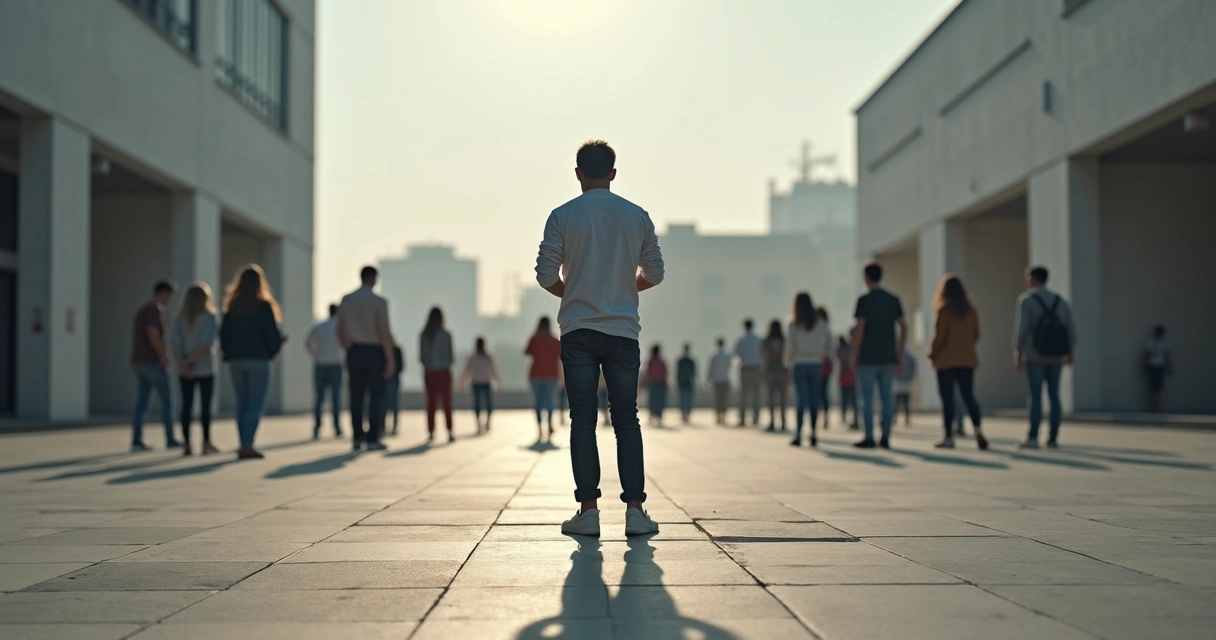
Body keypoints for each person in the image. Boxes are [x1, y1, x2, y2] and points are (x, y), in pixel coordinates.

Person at [534, 139, 663, 537]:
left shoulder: (562, 216)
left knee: (582, 420)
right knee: (626, 418)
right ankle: (635, 511)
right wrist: (621, 289)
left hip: (578, 331)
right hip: (622, 330)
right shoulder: (636, 216)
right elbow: (656, 273)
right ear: (613, 173)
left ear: (578, 174)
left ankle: (588, 511)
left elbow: (545, 274)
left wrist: (575, 293)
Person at [219, 265, 284, 459]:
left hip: (236, 360)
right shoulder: (263, 306)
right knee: (255, 404)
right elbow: (272, 335)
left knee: (242, 403)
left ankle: (243, 442)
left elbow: (224, 335)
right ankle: (247, 444)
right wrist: (273, 350)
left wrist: (229, 353)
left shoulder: (232, 306)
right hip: (258, 359)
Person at [1014, 265, 1075, 449]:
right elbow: (1070, 328)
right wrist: (1070, 352)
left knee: (1035, 396)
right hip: (1056, 356)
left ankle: (1033, 436)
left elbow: (1022, 329)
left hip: (1034, 356)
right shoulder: (1060, 301)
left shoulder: (1027, 300)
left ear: (1033, 278)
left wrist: (1018, 352)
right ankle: (1053, 437)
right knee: (1054, 396)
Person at [337, 266, 395, 452]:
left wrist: (348, 347)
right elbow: (384, 332)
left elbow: (339, 329)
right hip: (374, 351)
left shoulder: (347, 300)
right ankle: (372, 438)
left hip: (354, 350)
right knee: (376, 396)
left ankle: (357, 437)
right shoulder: (379, 302)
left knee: (356, 396)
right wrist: (390, 358)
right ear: (374, 278)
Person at [850, 261, 908, 449]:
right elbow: (904, 326)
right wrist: (899, 353)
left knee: (866, 399)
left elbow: (860, 328)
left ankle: (869, 437)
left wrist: (854, 352)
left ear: (866, 277)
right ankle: (885, 437)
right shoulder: (893, 299)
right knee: (887, 398)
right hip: (888, 357)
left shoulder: (864, 301)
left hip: (867, 358)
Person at [928, 274, 988, 450]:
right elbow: (976, 335)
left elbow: (940, 336)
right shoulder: (971, 310)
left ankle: (949, 437)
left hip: (946, 360)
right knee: (968, 396)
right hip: (967, 359)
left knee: (948, 399)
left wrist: (932, 353)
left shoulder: (944, 309)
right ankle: (977, 429)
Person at [130, 280, 179, 452]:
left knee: (142, 403)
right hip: (152, 363)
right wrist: (163, 355)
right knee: (168, 401)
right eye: (169, 295)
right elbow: (153, 334)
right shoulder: (154, 309)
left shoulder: (143, 308)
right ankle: (170, 438)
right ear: (163, 292)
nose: (170, 300)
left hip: (139, 362)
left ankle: (136, 440)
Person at [171, 282, 218, 456]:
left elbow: (175, 343)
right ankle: (206, 442)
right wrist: (191, 362)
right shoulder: (210, 317)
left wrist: (183, 364)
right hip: (205, 368)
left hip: (185, 370)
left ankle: (187, 444)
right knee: (205, 407)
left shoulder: (179, 318)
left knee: (186, 406)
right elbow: (206, 344)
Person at [787, 292, 833, 447]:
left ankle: (798, 433)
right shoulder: (821, 324)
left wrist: (788, 361)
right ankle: (813, 433)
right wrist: (823, 355)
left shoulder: (794, 324)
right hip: (816, 363)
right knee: (814, 400)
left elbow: (789, 346)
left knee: (801, 400)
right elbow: (830, 345)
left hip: (799, 363)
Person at [306, 304, 344, 440]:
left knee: (319, 398)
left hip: (320, 364)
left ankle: (317, 427)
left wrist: (315, 355)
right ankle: (337, 427)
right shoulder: (340, 326)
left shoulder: (318, 326)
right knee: (336, 398)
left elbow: (308, 343)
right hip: (336, 364)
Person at [419, 306, 455, 442]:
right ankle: (450, 430)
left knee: (431, 402)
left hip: (429, 372)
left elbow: (421, 357)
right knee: (447, 402)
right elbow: (451, 356)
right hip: (444, 372)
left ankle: (431, 431)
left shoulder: (424, 335)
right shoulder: (446, 335)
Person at [525, 316, 562, 440]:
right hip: (551, 374)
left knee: (538, 401)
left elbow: (527, 352)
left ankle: (540, 428)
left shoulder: (534, 339)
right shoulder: (554, 340)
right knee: (549, 400)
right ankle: (549, 424)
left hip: (535, 374)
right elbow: (560, 355)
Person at [461, 337, 501, 433]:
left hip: (481, 382)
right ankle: (483, 423)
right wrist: (498, 382)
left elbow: (466, 371)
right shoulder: (481, 357)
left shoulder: (480, 357)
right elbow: (494, 370)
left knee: (480, 405)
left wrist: (462, 382)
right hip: (481, 383)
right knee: (485, 404)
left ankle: (483, 423)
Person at [734, 319, 764, 427]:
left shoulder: (741, 339)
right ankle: (756, 417)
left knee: (743, 395)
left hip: (745, 368)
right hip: (756, 369)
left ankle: (742, 418)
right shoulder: (758, 339)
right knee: (756, 394)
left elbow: (736, 353)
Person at [761, 320, 788, 432]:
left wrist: (764, 370)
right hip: (783, 371)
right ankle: (783, 422)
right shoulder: (784, 340)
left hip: (771, 371)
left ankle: (772, 421)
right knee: (783, 398)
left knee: (771, 398)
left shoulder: (767, 341)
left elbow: (765, 357)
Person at [1143, 325, 1171, 413]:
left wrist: (1169, 366)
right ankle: (1152, 407)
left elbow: (1166, 354)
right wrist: (1144, 365)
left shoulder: (1163, 341)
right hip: (1151, 365)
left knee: (1158, 387)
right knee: (1152, 387)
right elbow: (1146, 353)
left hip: (1160, 365)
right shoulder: (1149, 340)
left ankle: (1157, 407)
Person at [708, 338, 732, 425]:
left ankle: (718, 416)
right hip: (725, 379)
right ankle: (723, 416)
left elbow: (711, 368)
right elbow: (730, 366)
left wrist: (709, 378)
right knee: (724, 399)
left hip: (716, 380)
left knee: (717, 399)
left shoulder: (714, 354)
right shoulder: (727, 354)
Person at [837, 336, 858, 429]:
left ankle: (844, 416)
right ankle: (855, 418)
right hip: (852, 375)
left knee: (844, 399)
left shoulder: (840, 350)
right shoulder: (851, 349)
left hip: (844, 375)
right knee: (854, 400)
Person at [645, 345, 669, 426]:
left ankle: (653, 415)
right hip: (660, 383)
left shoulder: (651, 361)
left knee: (652, 400)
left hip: (653, 383)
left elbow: (648, 373)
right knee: (659, 400)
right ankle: (658, 415)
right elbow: (665, 372)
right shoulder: (661, 361)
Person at [817, 306, 833, 430]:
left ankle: (820, 417)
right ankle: (825, 417)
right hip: (825, 363)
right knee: (823, 392)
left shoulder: (817, 327)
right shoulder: (827, 329)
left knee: (818, 393)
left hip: (820, 362)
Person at [893, 348, 917, 426]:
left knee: (897, 403)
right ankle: (905, 418)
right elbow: (914, 367)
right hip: (904, 382)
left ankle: (896, 418)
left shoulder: (897, 355)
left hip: (900, 382)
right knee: (905, 403)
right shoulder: (910, 356)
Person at [385, 343, 404, 435]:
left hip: (391, 378)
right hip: (388, 379)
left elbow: (401, 366)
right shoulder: (395, 349)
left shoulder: (395, 350)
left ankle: (392, 425)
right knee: (387, 403)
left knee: (390, 402)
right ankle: (385, 425)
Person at [676, 344, 696, 425]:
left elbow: (678, 372)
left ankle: (684, 414)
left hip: (684, 382)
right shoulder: (690, 361)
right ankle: (686, 414)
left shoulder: (681, 361)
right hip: (687, 382)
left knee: (683, 398)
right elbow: (693, 373)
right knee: (687, 399)